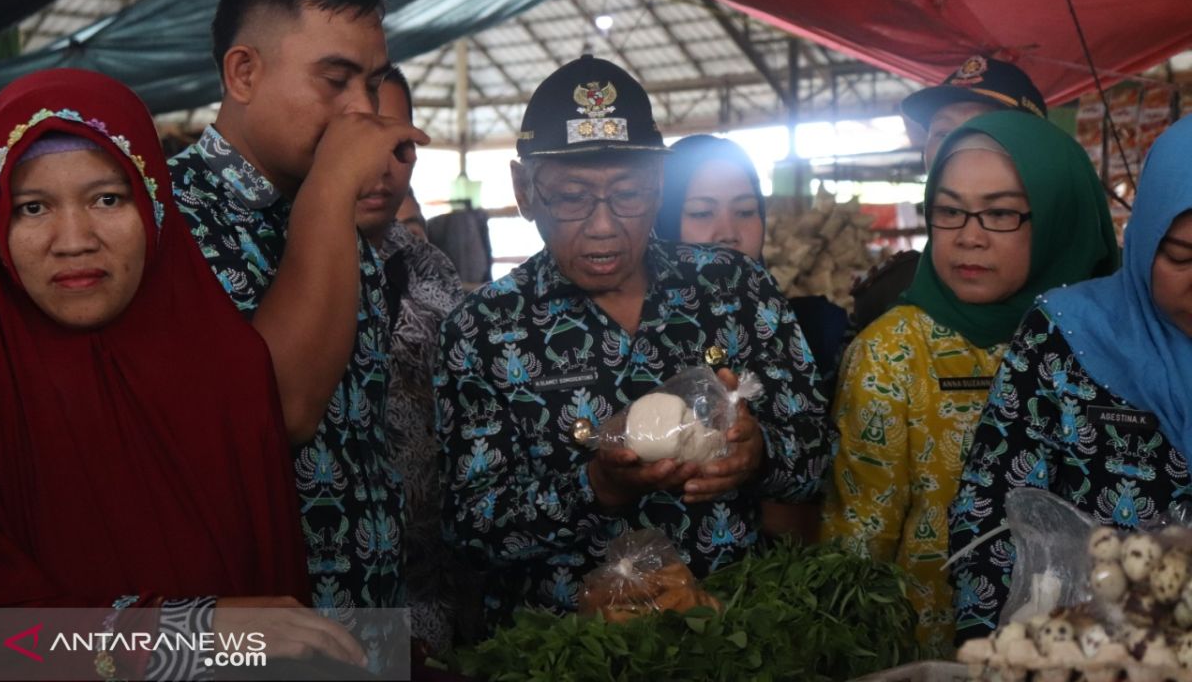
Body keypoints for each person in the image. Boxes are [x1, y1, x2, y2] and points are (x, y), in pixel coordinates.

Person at [436, 54, 835, 626]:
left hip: (737, 640)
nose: (604, 225)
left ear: (661, 185)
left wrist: (760, 454)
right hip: (565, 655)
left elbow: (820, 457)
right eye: (572, 198)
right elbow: (469, 535)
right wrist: (595, 484)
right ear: (524, 190)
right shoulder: (482, 330)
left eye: (629, 195)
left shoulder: (734, 287)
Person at [0, 69, 366, 677]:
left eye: (107, 199)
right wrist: (192, 631)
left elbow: (275, 629)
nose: (73, 240)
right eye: (32, 207)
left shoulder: (230, 371)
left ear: (154, 205)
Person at [166, 0, 429, 660]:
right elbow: (281, 408)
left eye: (371, 84)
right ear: (243, 72)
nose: (361, 113)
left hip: (367, 624)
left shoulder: (340, 219)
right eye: (335, 80)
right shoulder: (164, 218)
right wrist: (329, 194)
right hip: (240, 640)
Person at [821, 111, 1119, 656]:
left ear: (1060, 218)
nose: (969, 238)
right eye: (949, 211)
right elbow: (856, 551)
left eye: (1001, 213)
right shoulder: (892, 353)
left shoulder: (1118, 346)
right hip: (934, 659)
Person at [949, 114, 1192, 645]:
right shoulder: (1065, 336)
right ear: (1146, 235)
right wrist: (1003, 653)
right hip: (1084, 652)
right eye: (1182, 256)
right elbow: (990, 508)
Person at [654, 133, 848, 539]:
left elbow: (826, 466)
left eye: (745, 211)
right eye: (702, 213)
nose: (728, 232)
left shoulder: (803, 327)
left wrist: (762, 454)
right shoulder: (630, 328)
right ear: (663, 220)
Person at [355, 72, 465, 656]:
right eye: (360, 143)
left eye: (401, 148)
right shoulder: (255, 269)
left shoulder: (430, 269)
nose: (384, 168)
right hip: (307, 616)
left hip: (431, 607)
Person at [852, 55, 1048, 333]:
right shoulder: (887, 296)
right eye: (942, 132)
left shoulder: (1096, 296)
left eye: (982, 130)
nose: (954, 147)